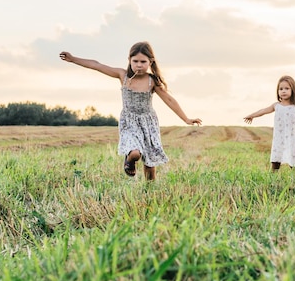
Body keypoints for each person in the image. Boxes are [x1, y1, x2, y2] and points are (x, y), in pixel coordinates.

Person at [59, 41, 202, 181]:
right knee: (135, 153)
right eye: (135, 61)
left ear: (150, 62)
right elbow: (97, 65)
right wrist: (73, 59)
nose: (139, 65)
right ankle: (129, 160)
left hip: (148, 122)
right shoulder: (123, 75)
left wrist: (186, 119)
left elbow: (169, 100)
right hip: (129, 121)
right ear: (129, 60)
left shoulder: (152, 81)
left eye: (143, 62)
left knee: (150, 163)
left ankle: (149, 190)